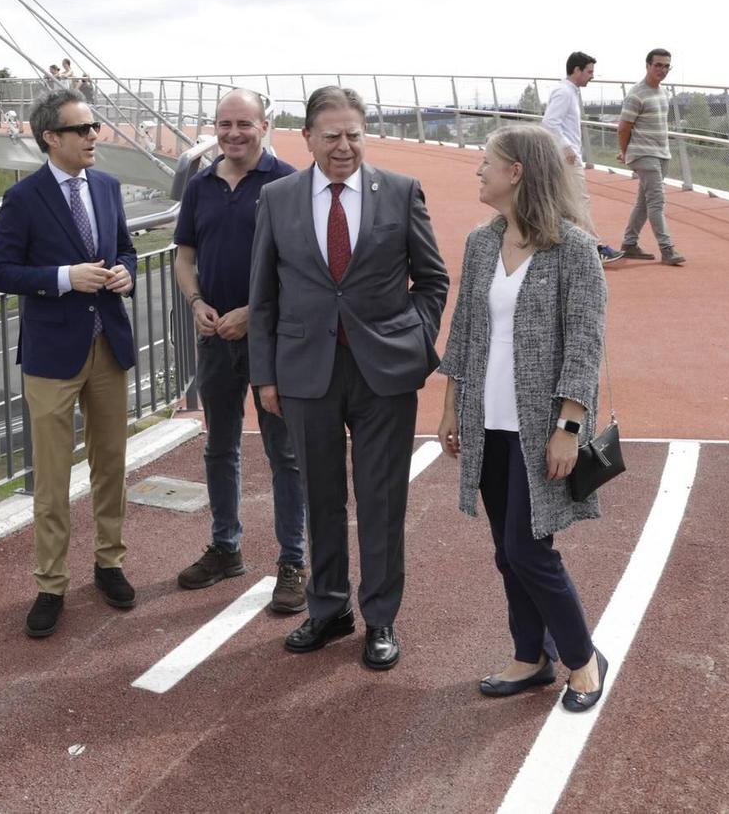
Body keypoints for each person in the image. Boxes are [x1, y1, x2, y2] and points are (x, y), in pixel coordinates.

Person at [248, 85, 448, 670]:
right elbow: (263, 297)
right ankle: (329, 608)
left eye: (353, 135)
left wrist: (412, 338)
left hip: (383, 372)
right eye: (331, 136)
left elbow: (432, 280)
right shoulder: (278, 198)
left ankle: (381, 617)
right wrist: (265, 376)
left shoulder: (402, 192)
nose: (343, 146)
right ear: (306, 138)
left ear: (366, 135)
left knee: (382, 499)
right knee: (321, 495)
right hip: (305, 372)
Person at [437, 125, 610, 712]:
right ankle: (529, 654)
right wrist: (449, 407)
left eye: (486, 163)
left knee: (530, 549)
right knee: (507, 551)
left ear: (516, 173)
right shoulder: (482, 242)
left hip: (541, 427)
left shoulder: (574, 249)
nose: (478, 171)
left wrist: (568, 427)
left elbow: (585, 342)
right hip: (487, 421)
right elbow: (464, 329)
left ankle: (582, 659)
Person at [0, 88, 139, 639]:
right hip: (52, 354)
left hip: (108, 347)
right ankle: (50, 584)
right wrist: (62, 278)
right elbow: (0, 273)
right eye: (83, 129)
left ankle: (109, 564)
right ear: (52, 137)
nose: (94, 135)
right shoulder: (23, 198)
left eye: (94, 127)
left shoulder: (107, 186)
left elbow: (125, 249)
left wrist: (124, 272)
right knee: (52, 477)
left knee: (112, 465)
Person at [172, 90, 308, 613]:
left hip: (270, 341)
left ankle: (292, 560)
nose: (233, 133)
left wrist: (252, 312)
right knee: (219, 446)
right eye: (224, 124)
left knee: (284, 455)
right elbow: (185, 257)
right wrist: (197, 301)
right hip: (213, 338)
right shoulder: (201, 184)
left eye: (243, 124)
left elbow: (301, 266)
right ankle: (226, 547)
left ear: (264, 126)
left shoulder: (289, 182)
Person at [542, 53, 620, 262]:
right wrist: (567, 148)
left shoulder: (569, 92)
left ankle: (563, 248)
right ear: (576, 70)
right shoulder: (564, 92)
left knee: (564, 203)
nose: (592, 76)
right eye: (589, 72)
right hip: (566, 159)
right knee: (578, 202)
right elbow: (549, 123)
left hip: (565, 156)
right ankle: (593, 248)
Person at [615, 49, 684, 265]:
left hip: (661, 153)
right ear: (647, 65)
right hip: (644, 155)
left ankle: (629, 244)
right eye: (658, 65)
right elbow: (623, 127)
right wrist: (626, 153)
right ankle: (667, 249)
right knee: (657, 202)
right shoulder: (636, 94)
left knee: (644, 203)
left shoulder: (664, 94)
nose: (662, 70)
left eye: (666, 66)